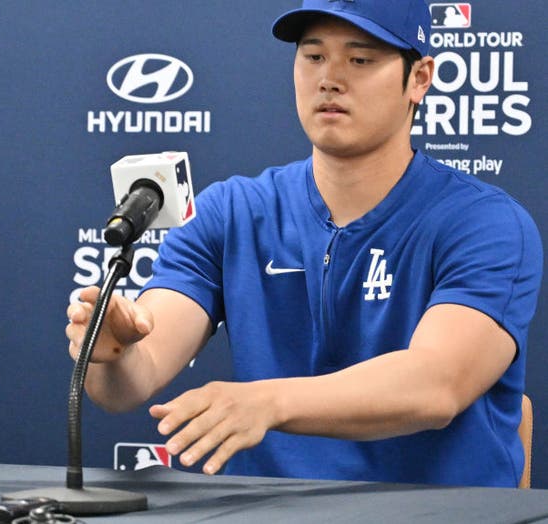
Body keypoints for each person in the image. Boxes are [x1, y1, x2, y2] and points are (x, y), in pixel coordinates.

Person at [66, 0, 542, 487]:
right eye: (313, 57)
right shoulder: (231, 212)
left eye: (360, 60)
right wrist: (111, 353)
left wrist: (268, 402)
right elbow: (132, 382)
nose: (330, 78)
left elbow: (436, 386)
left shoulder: (485, 223)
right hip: (268, 513)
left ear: (419, 78)